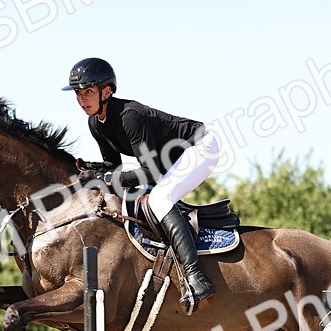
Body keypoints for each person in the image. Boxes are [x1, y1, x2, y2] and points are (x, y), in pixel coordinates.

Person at [63, 57, 217, 314]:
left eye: (88, 91)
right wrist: (91, 171)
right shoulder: (95, 123)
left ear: (107, 91)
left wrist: (109, 179)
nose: (82, 99)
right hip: (170, 159)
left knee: (159, 199)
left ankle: (195, 276)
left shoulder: (130, 116)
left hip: (199, 147)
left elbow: (151, 172)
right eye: (78, 93)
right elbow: (113, 167)